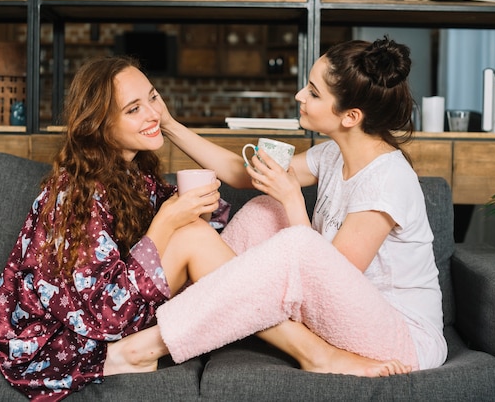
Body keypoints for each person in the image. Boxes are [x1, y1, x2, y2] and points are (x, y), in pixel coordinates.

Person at [110, 36, 447, 377]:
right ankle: (200, 310)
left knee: (293, 233)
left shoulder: (387, 179)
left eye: (314, 93)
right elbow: (242, 174)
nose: (300, 95)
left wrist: (292, 198)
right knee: (264, 209)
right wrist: (168, 124)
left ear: (350, 116)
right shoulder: (332, 155)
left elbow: (330, 275)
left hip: (402, 339)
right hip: (349, 318)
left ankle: (147, 347)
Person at [0, 56, 237, 400]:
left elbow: (200, 235)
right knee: (193, 238)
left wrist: (193, 207)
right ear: (100, 125)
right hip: (58, 337)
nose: (153, 114)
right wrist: (165, 222)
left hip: (112, 312)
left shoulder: (136, 174)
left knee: (224, 226)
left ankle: (281, 321)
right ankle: (306, 344)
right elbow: (103, 311)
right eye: (133, 109)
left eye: (152, 98)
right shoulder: (75, 192)